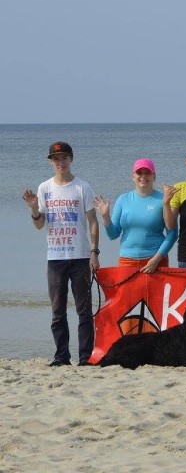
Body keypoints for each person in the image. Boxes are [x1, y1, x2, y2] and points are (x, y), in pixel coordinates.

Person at [23, 141, 99, 367]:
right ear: (51, 162)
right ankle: (61, 357)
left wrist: (94, 252)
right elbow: (39, 225)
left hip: (80, 257)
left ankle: (85, 358)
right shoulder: (45, 188)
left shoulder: (82, 187)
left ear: (71, 159)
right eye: (56, 159)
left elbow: (93, 222)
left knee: (84, 311)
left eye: (64, 158)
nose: (61, 162)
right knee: (57, 311)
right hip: (55, 258)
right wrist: (34, 208)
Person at [94, 158, 177, 273]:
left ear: (154, 177)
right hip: (127, 260)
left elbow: (172, 234)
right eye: (139, 173)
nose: (143, 176)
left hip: (155, 260)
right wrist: (105, 217)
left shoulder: (163, 200)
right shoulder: (123, 200)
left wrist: (156, 259)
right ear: (133, 176)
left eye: (148, 173)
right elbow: (113, 235)